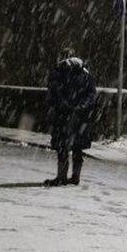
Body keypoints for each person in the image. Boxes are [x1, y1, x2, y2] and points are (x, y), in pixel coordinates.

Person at [45, 48, 97, 187]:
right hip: (81, 118)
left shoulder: (59, 72)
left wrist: (63, 106)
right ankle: (75, 177)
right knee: (77, 148)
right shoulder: (85, 74)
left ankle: (61, 177)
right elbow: (91, 95)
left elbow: (53, 94)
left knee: (62, 147)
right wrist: (80, 107)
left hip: (63, 116)